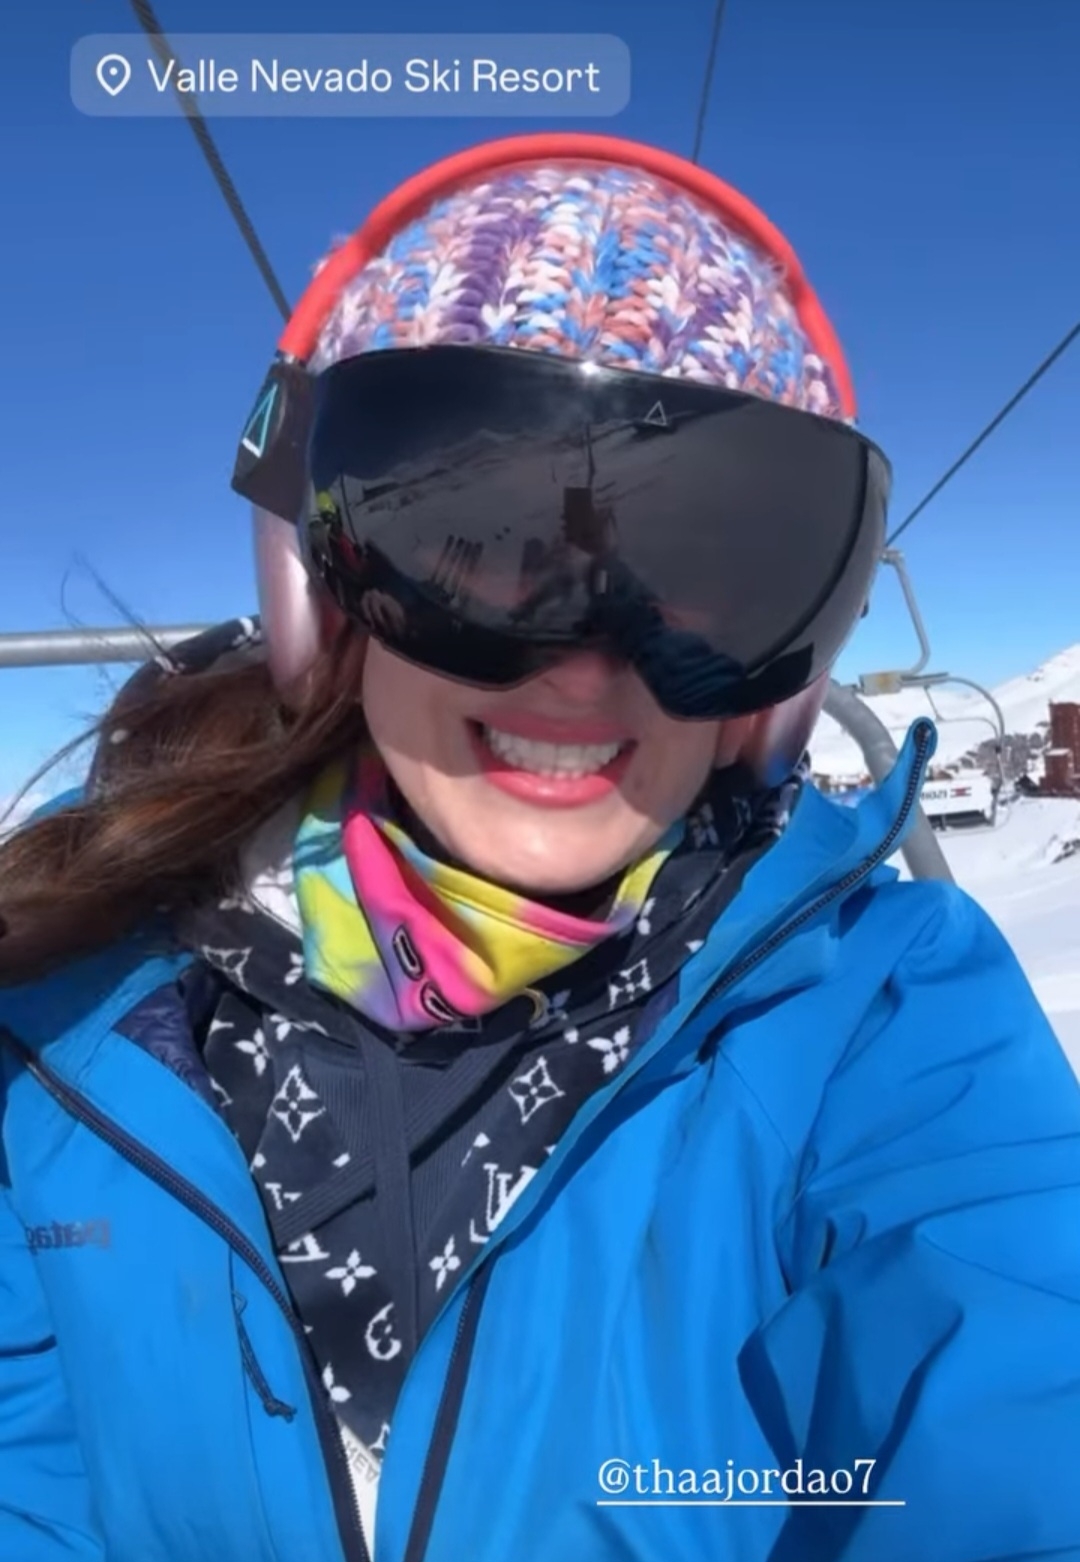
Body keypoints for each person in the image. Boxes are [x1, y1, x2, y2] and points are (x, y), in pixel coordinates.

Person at [0, 132, 1078, 1562]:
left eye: (700, 566)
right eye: (483, 541)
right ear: (328, 591)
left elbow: (1011, 1389)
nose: (583, 665)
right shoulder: (75, 1031)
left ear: (778, 675)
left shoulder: (876, 1015)